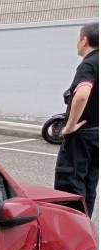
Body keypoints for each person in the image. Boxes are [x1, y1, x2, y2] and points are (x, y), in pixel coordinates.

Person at [55, 22, 99, 216]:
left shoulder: (89, 64)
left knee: (70, 185)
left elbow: (82, 94)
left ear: (84, 40)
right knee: (89, 184)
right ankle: (84, 225)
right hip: (96, 134)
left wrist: (70, 126)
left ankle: (71, 228)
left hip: (82, 135)